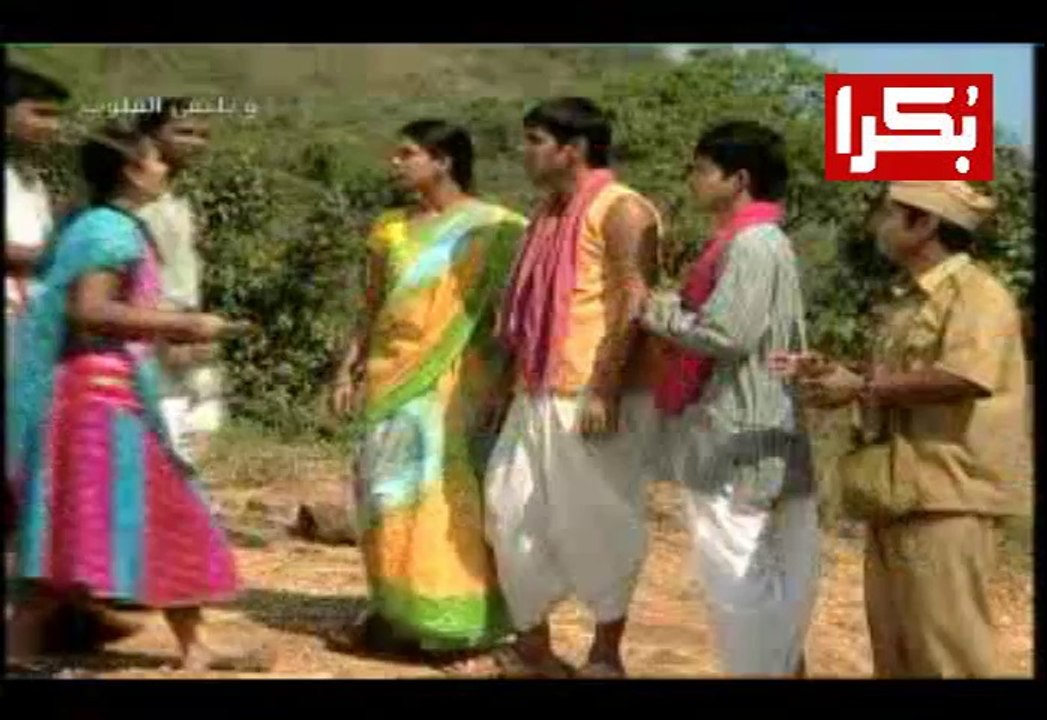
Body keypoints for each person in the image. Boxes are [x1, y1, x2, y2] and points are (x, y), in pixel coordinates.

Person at [5, 122, 271, 673]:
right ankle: (25, 647)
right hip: (101, 400)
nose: (164, 169)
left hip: (89, 394)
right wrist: (185, 324)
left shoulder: (89, 224)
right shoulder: (112, 232)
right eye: (157, 160)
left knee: (69, 521)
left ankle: (191, 645)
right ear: (131, 170)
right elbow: (90, 310)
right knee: (160, 509)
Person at [782, 181, 1031, 678]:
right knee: (898, 654)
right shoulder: (907, 301)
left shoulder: (979, 295)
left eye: (890, 214)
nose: (879, 225)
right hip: (896, 496)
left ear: (926, 223)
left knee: (951, 656)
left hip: (948, 498)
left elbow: (966, 377)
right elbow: (900, 377)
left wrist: (861, 387)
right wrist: (837, 372)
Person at [327, 119, 527, 671]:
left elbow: (513, 321)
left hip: (458, 384)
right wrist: (346, 372)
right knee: (385, 497)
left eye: (407, 154)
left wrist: (506, 385)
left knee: (440, 500)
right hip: (389, 381)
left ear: (443, 161)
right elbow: (371, 306)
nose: (395, 164)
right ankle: (396, 613)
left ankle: (454, 627)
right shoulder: (390, 229)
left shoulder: (500, 229)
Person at [485, 97, 665, 679]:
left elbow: (637, 301)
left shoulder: (622, 209)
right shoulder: (544, 214)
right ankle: (534, 647)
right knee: (508, 511)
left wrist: (605, 387)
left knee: (601, 521)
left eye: (535, 140)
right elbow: (524, 310)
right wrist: (504, 384)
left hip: (590, 394)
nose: (525, 152)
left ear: (574, 148)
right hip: (536, 388)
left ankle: (605, 653)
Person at [639, 121, 819, 678]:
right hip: (763, 426)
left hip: (735, 430)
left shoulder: (751, 244)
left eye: (701, 169)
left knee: (738, 580)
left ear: (738, 179)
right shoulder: (763, 240)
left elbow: (726, 334)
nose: (692, 180)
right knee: (778, 577)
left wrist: (654, 310)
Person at [5, 63, 144, 656]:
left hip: (27, 332)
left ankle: (62, 609)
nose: (50, 126)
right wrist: (60, 253)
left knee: (30, 473)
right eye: (39, 112)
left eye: (57, 116)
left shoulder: (31, 182)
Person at [135, 98, 225, 465]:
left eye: (202, 135)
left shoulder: (177, 200)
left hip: (185, 335)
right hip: (152, 342)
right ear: (151, 136)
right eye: (183, 132)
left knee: (189, 454)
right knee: (160, 457)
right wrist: (164, 337)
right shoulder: (136, 204)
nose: (195, 143)